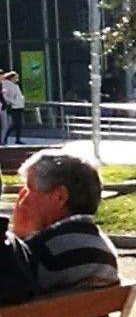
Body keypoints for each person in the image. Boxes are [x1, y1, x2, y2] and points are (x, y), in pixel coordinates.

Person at [2, 151, 121, 305]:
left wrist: (19, 238)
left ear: (60, 196)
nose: (22, 200)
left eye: (29, 189)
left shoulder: (43, 252)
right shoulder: (104, 249)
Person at [0, 72, 23, 145]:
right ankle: (4, 138)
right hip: (13, 107)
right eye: (16, 77)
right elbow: (5, 96)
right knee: (12, 124)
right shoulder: (6, 85)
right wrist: (12, 102)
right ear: (11, 78)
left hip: (19, 106)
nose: (17, 79)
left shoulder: (15, 85)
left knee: (18, 124)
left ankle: (17, 139)